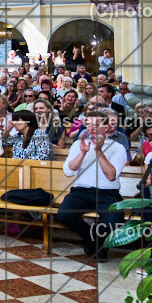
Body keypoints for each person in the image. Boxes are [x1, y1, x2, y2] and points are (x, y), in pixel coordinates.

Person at [56, 111, 129, 261]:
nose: (91, 128)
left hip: (108, 193)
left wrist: (98, 150)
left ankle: (97, 243)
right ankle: (94, 241)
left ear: (107, 126)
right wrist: (83, 153)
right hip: (81, 192)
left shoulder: (118, 147)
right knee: (64, 215)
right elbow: (68, 172)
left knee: (114, 223)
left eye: (96, 124)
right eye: (88, 124)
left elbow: (111, 176)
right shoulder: (78, 144)